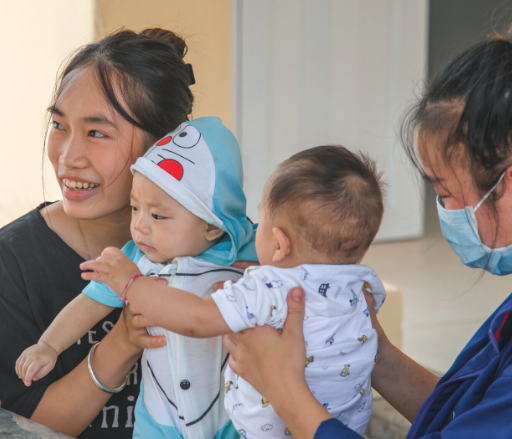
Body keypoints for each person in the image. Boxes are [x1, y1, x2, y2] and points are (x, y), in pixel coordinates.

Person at [221, 4, 512, 438]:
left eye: (444, 193)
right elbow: (478, 419)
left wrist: (284, 389)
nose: (443, 210)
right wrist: (377, 355)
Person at [0, 28, 193, 438]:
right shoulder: (12, 260)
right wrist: (124, 340)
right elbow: (12, 429)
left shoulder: (211, 247)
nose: (68, 157)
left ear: (163, 148)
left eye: (96, 133)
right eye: (59, 125)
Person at [85, 145, 388, 437]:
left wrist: (131, 284)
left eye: (261, 218)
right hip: (344, 426)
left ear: (280, 244)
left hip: (276, 428)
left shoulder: (268, 288)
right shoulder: (364, 286)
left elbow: (197, 320)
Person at [16, 117, 256, 439]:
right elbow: (89, 303)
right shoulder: (135, 262)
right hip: (159, 422)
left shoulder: (244, 255)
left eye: (157, 215)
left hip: (232, 418)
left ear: (213, 225)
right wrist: (49, 345)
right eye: (134, 208)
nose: (140, 226)